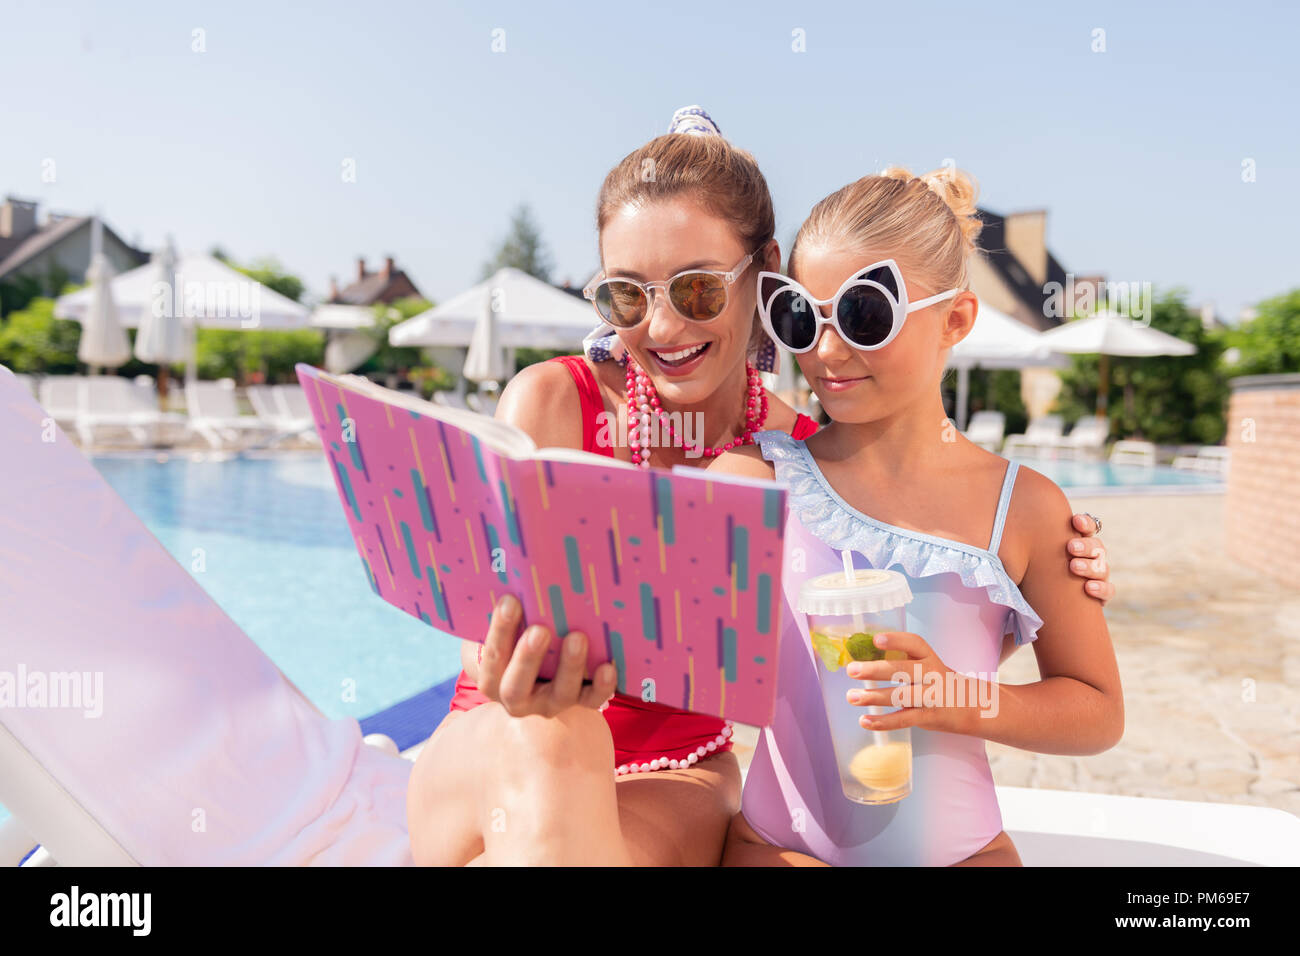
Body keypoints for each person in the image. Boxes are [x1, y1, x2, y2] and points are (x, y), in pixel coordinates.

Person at [406, 111, 1113, 866]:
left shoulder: (795, 466)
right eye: (627, 296)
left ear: (762, 270)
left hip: (672, 769)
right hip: (507, 731)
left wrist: (1045, 560)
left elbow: (916, 627)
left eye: (699, 291)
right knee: (556, 739)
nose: (663, 325)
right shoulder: (557, 403)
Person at [712, 167, 1124, 866]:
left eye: (864, 316)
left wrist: (958, 697)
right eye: (799, 317)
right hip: (784, 849)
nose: (826, 351)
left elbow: (1096, 711)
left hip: (967, 854)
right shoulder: (754, 483)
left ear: (955, 319)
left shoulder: (1023, 508)